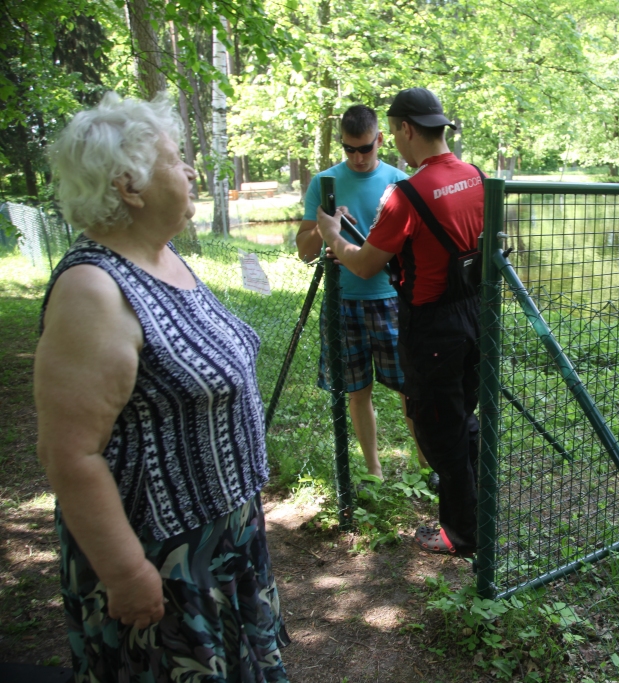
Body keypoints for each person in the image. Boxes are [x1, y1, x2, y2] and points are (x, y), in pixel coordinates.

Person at [36, 92, 289, 681]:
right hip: (160, 555)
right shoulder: (93, 291)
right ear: (129, 185)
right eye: (176, 160)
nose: (191, 171)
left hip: (222, 535)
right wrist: (125, 572)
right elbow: (69, 454)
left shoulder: (161, 256)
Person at [316, 87, 485, 557]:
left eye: (392, 134)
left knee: (436, 429)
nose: (393, 144)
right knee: (463, 417)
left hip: (431, 326)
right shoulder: (476, 177)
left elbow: (366, 264)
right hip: (474, 313)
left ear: (407, 129)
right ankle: (479, 508)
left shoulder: (406, 194)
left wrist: (333, 235)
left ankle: (462, 532)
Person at [297, 105, 430, 483]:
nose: (357, 157)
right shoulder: (324, 182)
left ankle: (425, 465)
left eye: (365, 149)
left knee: (409, 388)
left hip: (391, 299)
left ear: (381, 140)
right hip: (342, 302)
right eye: (348, 149)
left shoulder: (400, 182)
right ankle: (374, 470)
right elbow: (304, 250)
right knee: (357, 390)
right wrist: (327, 230)